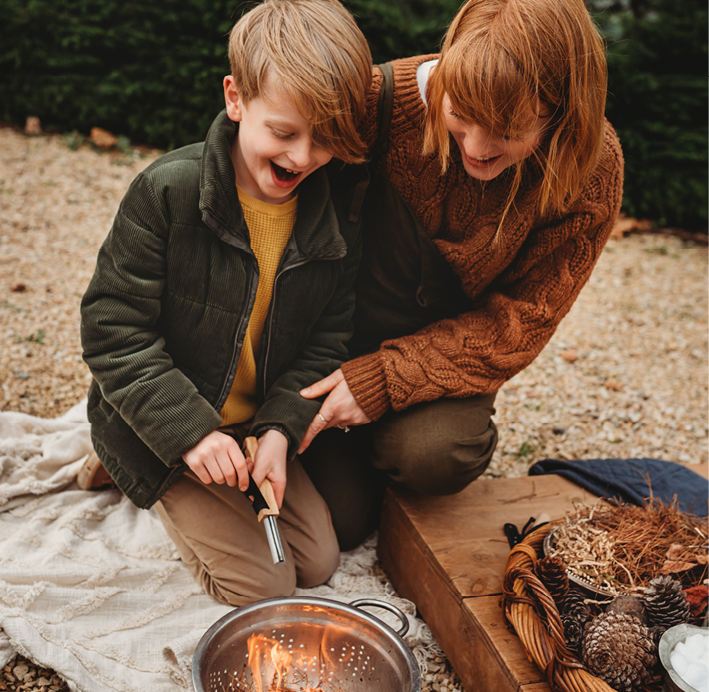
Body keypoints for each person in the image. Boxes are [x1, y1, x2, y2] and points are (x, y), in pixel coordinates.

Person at [297, 0, 625, 550]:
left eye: (506, 130)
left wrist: (383, 381)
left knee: (434, 458)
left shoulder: (591, 173)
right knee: (343, 523)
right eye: (461, 115)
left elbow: (520, 320)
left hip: (449, 354)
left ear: (562, 111)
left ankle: (381, 439)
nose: (475, 146)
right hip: (327, 336)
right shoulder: (378, 99)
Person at [80, 0, 372, 605]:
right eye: (284, 133)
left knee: (317, 563)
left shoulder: (335, 216)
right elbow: (113, 330)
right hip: (175, 419)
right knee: (264, 587)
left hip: (251, 424)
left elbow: (327, 340)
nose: (302, 158)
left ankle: (200, 469)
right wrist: (191, 436)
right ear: (236, 99)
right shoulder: (166, 191)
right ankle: (136, 469)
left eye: (324, 141)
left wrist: (279, 430)